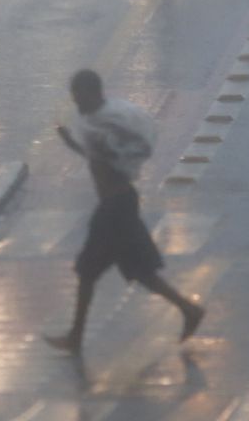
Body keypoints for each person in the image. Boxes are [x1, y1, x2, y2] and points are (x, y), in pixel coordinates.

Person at [45, 69, 205, 355]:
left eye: (79, 94)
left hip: (114, 208)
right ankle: (189, 309)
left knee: (88, 271)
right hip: (119, 205)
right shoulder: (98, 126)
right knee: (141, 273)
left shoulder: (106, 125)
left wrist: (83, 143)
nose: (75, 100)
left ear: (94, 93)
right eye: (73, 94)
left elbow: (108, 157)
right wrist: (73, 143)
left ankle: (76, 336)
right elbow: (100, 157)